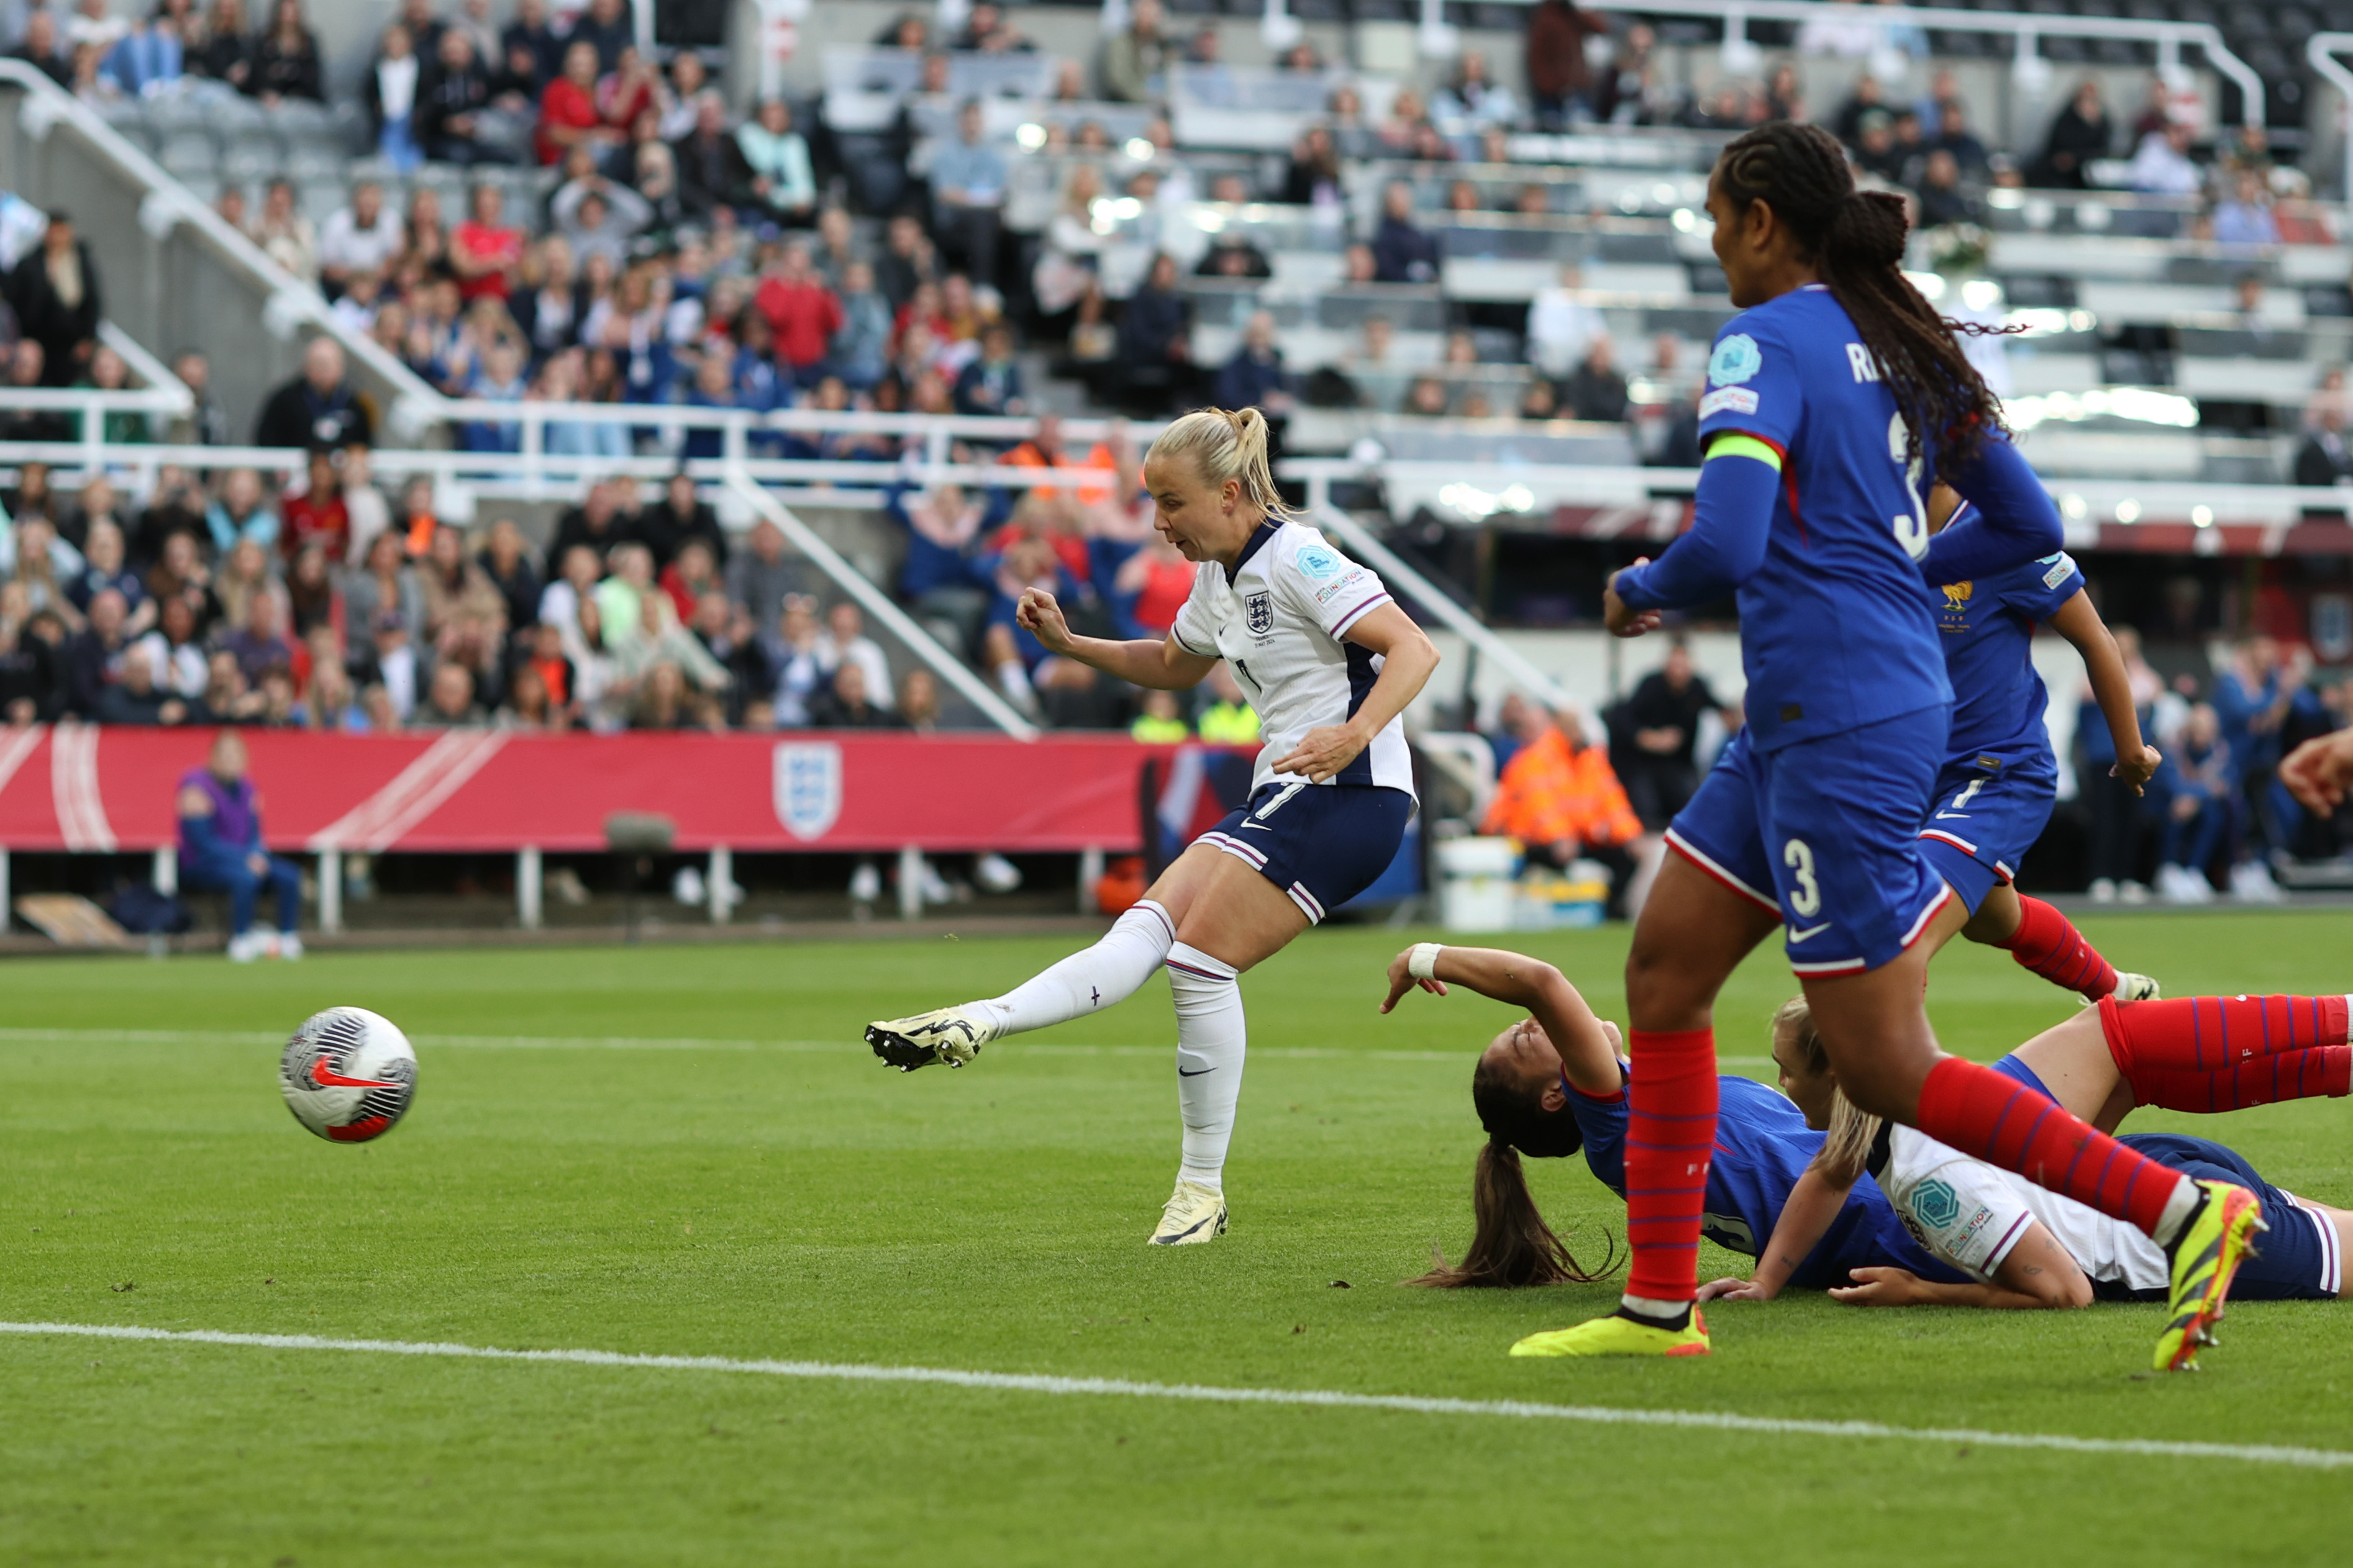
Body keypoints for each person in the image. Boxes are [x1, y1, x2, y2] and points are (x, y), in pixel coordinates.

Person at [1539, 122, 2259, 1367]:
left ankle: (2188, 1208)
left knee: (1882, 1056)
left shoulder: (1760, 339)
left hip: (1842, 716)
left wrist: (1635, 584)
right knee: (1661, 974)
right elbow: (2030, 517)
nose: (1712, 245)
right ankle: (1660, 1300)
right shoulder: (1903, 346)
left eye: (1717, 219)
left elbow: (1726, 539)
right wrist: (1910, 564)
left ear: (1763, 218)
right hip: (1810, 711)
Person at [863, 407, 1440, 1244]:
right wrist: (1071, 643)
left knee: (1198, 963)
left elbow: (1415, 648)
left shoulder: (1300, 557)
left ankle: (1200, 1192)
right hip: (1286, 793)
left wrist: (1354, 732)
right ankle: (984, 1018)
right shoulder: (1221, 574)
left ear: (1232, 493)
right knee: (1144, 931)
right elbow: (1172, 665)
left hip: (1350, 793)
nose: (1160, 523)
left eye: (1172, 503)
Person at [1709, 993, 2351, 1312]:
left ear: (1837, 1077)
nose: (1780, 1085)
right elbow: (1826, 1175)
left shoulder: (1925, 1180)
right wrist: (1765, 1281)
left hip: (2162, 1237)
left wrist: (1922, 1291)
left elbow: (2065, 1290)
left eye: (1786, 1069)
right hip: (2159, 1166)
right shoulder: (1903, 1102)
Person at [1380, 942, 1959, 1294]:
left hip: (1884, 1208)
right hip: (1903, 1216)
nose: (1536, 1022)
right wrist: (1424, 957)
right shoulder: (1618, 1127)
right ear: (1561, 1095)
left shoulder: (1657, 1097)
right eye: (1526, 1037)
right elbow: (1542, 984)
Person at [1912, 487, 2162, 997]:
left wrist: (2131, 749)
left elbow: (2095, 638)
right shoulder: (1879, 534)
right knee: (1989, 918)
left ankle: (1877, 1074)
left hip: (1994, 773)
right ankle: (2118, 992)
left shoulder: (2000, 538)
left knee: (1903, 923)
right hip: (1909, 775)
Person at [176, 730, 304, 962]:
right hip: (204, 864)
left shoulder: (248, 788)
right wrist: (246, 859)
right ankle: (240, 938)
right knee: (245, 878)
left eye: (237, 755)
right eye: (226, 755)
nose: (231, 761)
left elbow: (255, 835)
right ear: (212, 756)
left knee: (290, 876)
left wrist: (256, 854)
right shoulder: (195, 787)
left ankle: (288, 937)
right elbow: (204, 843)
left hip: (246, 859)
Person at [9, 212, 100, 386]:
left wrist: (88, 338)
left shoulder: (81, 261)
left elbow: (92, 301)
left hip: (71, 343)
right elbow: (20, 303)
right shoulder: (31, 265)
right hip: (39, 339)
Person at [929, 99, 1007, 289]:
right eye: (968, 121)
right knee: (981, 220)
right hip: (953, 219)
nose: (972, 127)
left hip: (986, 218)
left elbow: (1003, 193)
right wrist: (978, 199)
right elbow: (944, 194)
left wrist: (968, 197)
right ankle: (982, 285)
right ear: (960, 123)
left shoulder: (993, 154)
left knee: (987, 222)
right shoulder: (946, 154)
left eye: (976, 122)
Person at [255, 338, 374, 450]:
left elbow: (365, 445)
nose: (322, 371)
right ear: (306, 366)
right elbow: (266, 439)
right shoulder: (285, 400)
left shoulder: (355, 403)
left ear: (340, 367)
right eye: (317, 364)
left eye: (327, 364)